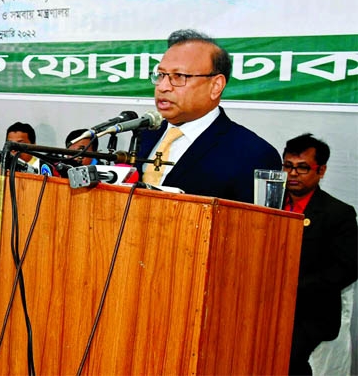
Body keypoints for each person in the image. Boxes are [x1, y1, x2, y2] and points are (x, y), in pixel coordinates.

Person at [136, 29, 281, 202]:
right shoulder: (142, 135)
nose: (162, 87)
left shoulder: (253, 154)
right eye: (161, 75)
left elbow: (255, 227)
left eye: (179, 76)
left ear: (216, 86)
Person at [280, 134, 357, 375]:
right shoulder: (268, 203)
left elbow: (348, 268)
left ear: (321, 170)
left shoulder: (338, 213)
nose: (293, 174)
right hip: (266, 303)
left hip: (310, 310)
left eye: (302, 168)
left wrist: (294, 287)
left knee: (287, 356)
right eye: (288, 166)